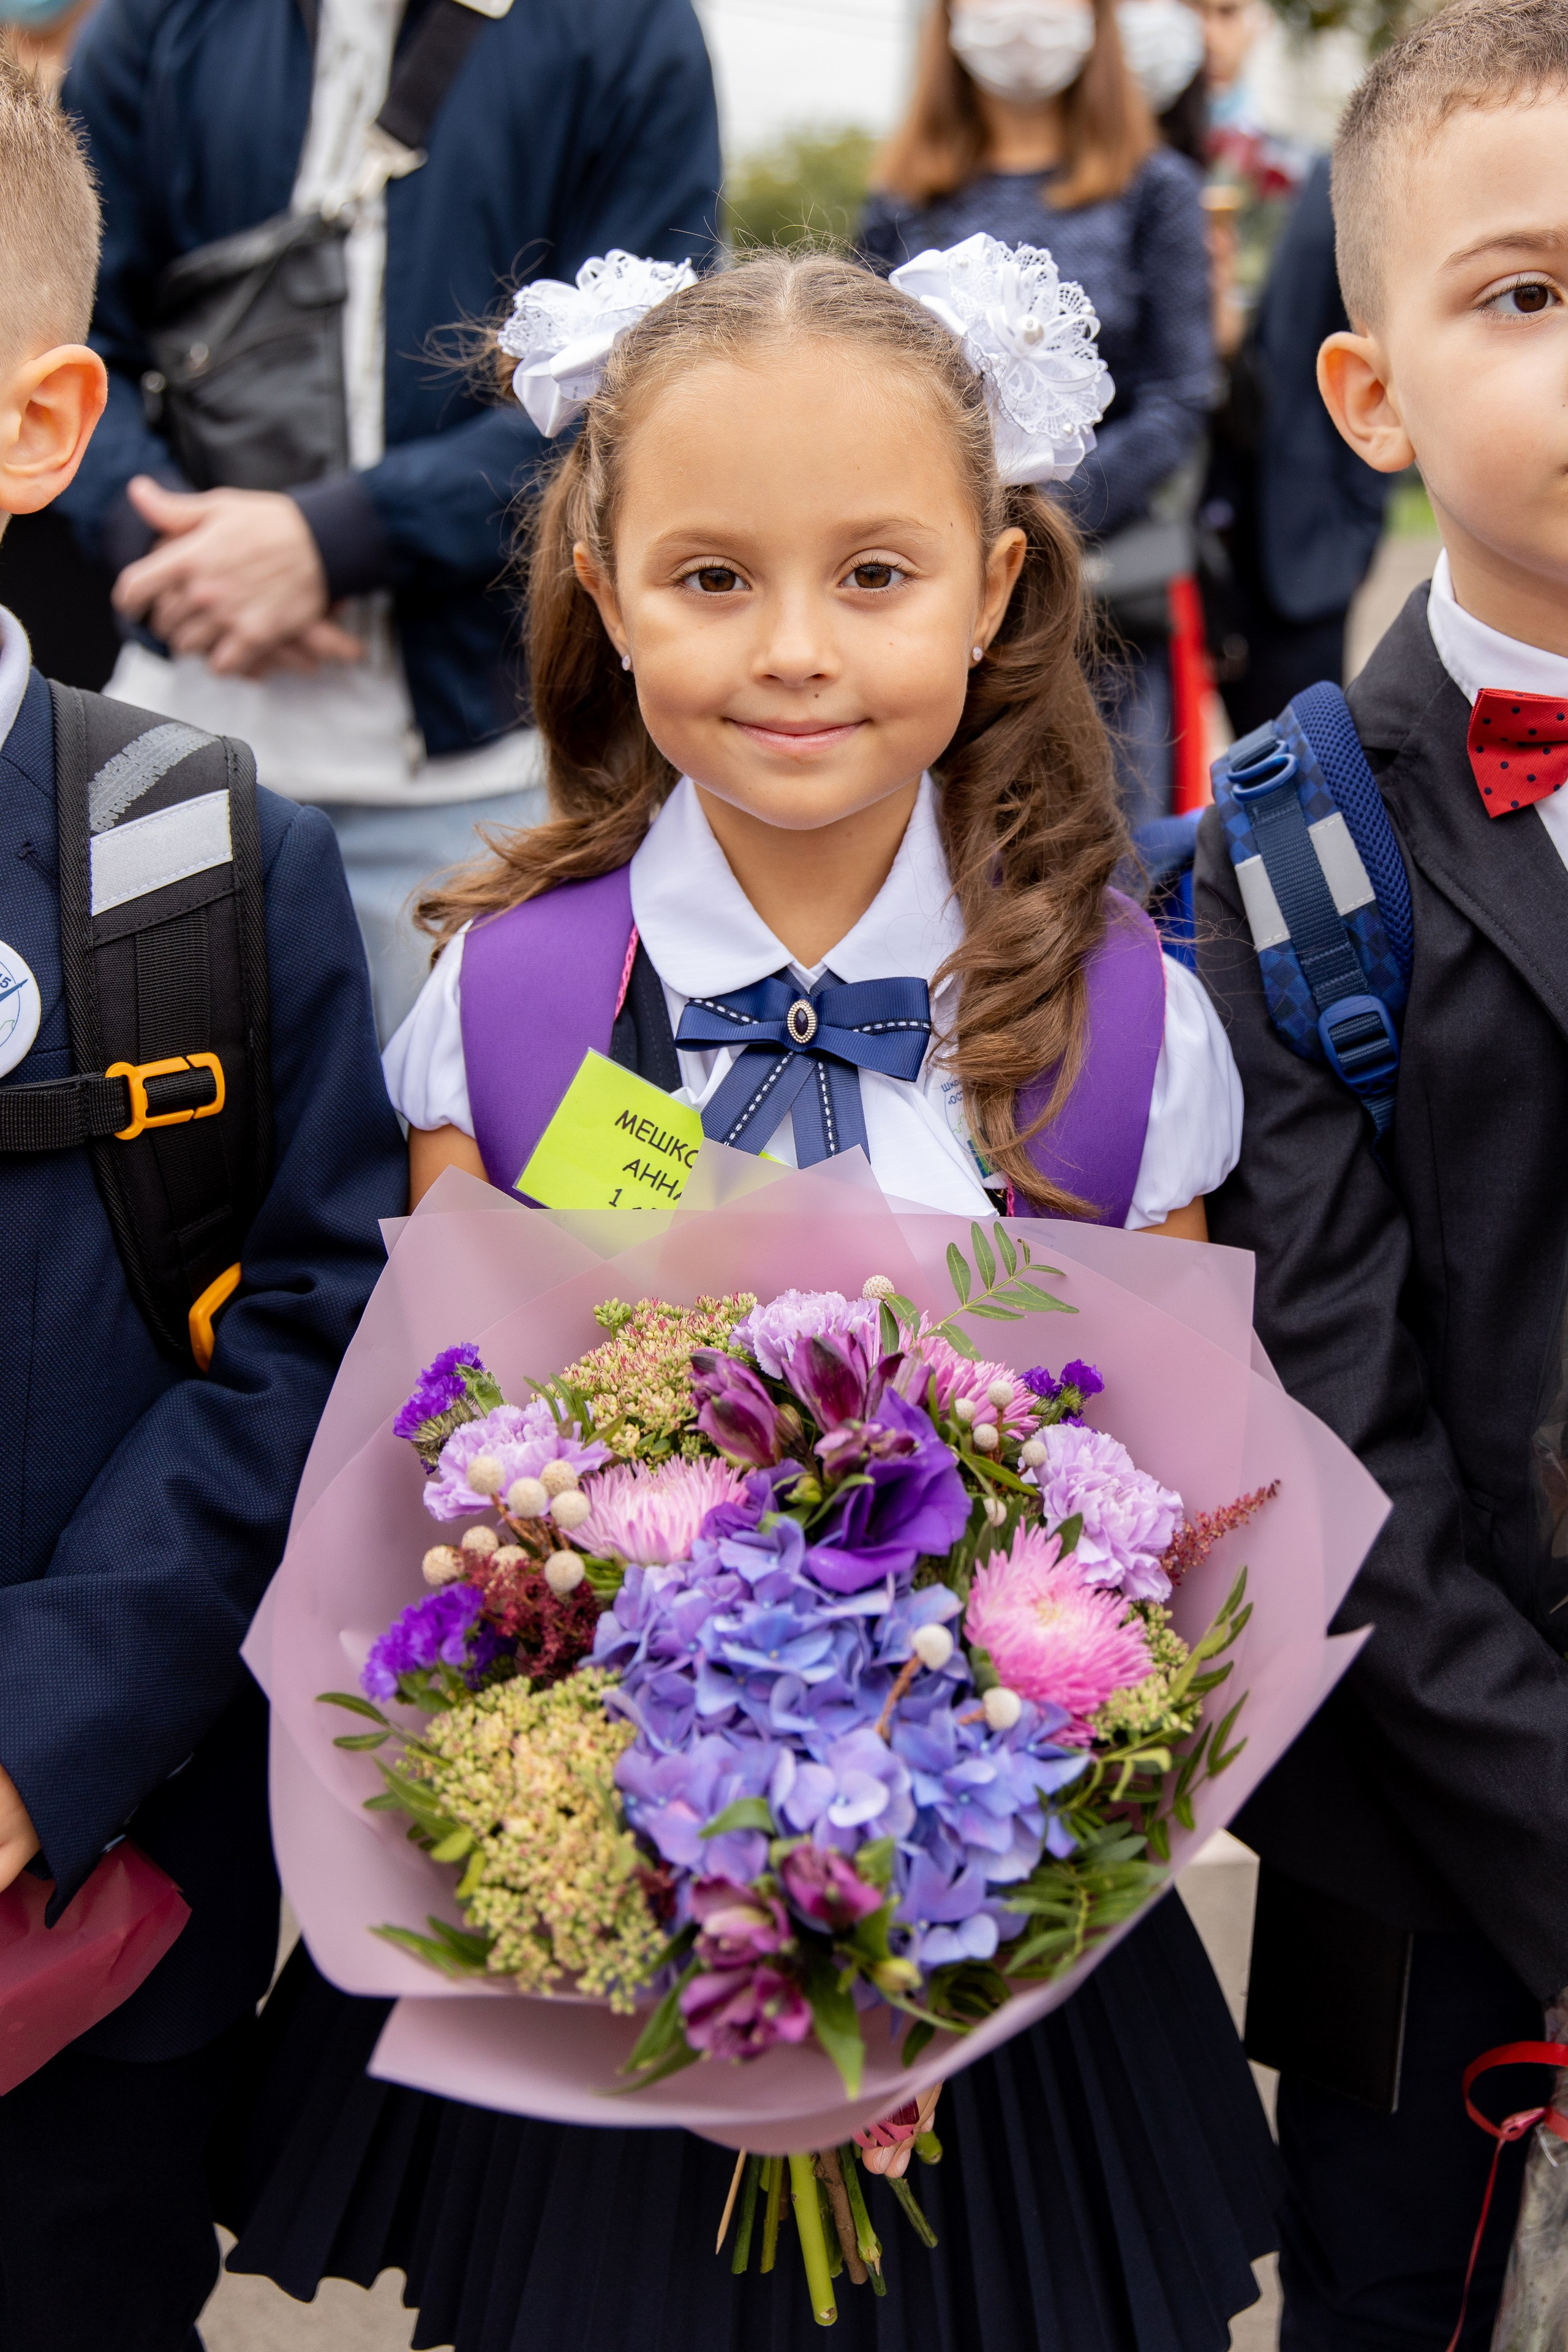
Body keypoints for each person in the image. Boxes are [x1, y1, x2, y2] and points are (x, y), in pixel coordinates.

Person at [214, 240, 1275, 2351]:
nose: (794, 649)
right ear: (604, 591)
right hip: (601, 1949)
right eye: (711, 577)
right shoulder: (504, 1008)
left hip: (1005, 1939)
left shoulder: (1121, 1028)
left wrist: (961, 1900)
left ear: (993, 587)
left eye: (874, 575)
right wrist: (611, 1843)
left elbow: (1184, 1528)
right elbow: (433, 1471)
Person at [0, 50, 405, 2352]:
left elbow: (318, 1328)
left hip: (74, 1935)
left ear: (41, 425)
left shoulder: (206, 865)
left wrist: (38, 1724)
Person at [1194, 2, 1568, 2341]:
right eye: (1523, 293)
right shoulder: (1281, 853)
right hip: (1440, 1918)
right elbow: (1330, 1451)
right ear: (1369, 395)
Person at [56, 0, 721, 1038]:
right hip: (166, 752)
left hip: (482, 781)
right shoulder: (155, 20)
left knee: (464, 1131)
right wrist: (175, 556)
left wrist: (339, 540)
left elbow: (646, 377)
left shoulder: (623, 26)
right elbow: (64, 338)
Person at [857, 0, 1215, 826]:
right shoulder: (902, 201)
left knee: (1110, 848)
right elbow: (866, 385)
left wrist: (1039, 515)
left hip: (1100, 605)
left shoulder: (1155, 190)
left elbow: (1181, 395)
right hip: (937, 603)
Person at [1198, 153, 1391, 737]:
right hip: (1212, 550)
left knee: (1310, 765)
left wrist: (1357, 526)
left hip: (1308, 549)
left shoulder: (1349, 174)